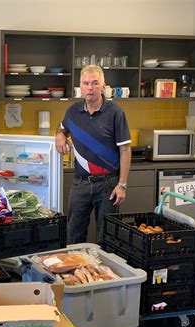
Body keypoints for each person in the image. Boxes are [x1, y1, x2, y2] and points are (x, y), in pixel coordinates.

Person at [56, 65, 131, 244]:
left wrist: (122, 185)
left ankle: (104, 272)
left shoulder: (115, 112)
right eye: (86, 83)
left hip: (108, 185)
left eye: (95, 83)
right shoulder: (73, 112)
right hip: (80, 183)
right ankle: (78, 271)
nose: (90, 87)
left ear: (103, 86)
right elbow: (61, 128)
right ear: (80, 87)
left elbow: (125, 150)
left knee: (107, 237)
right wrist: (59, 135)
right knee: (73, 234)